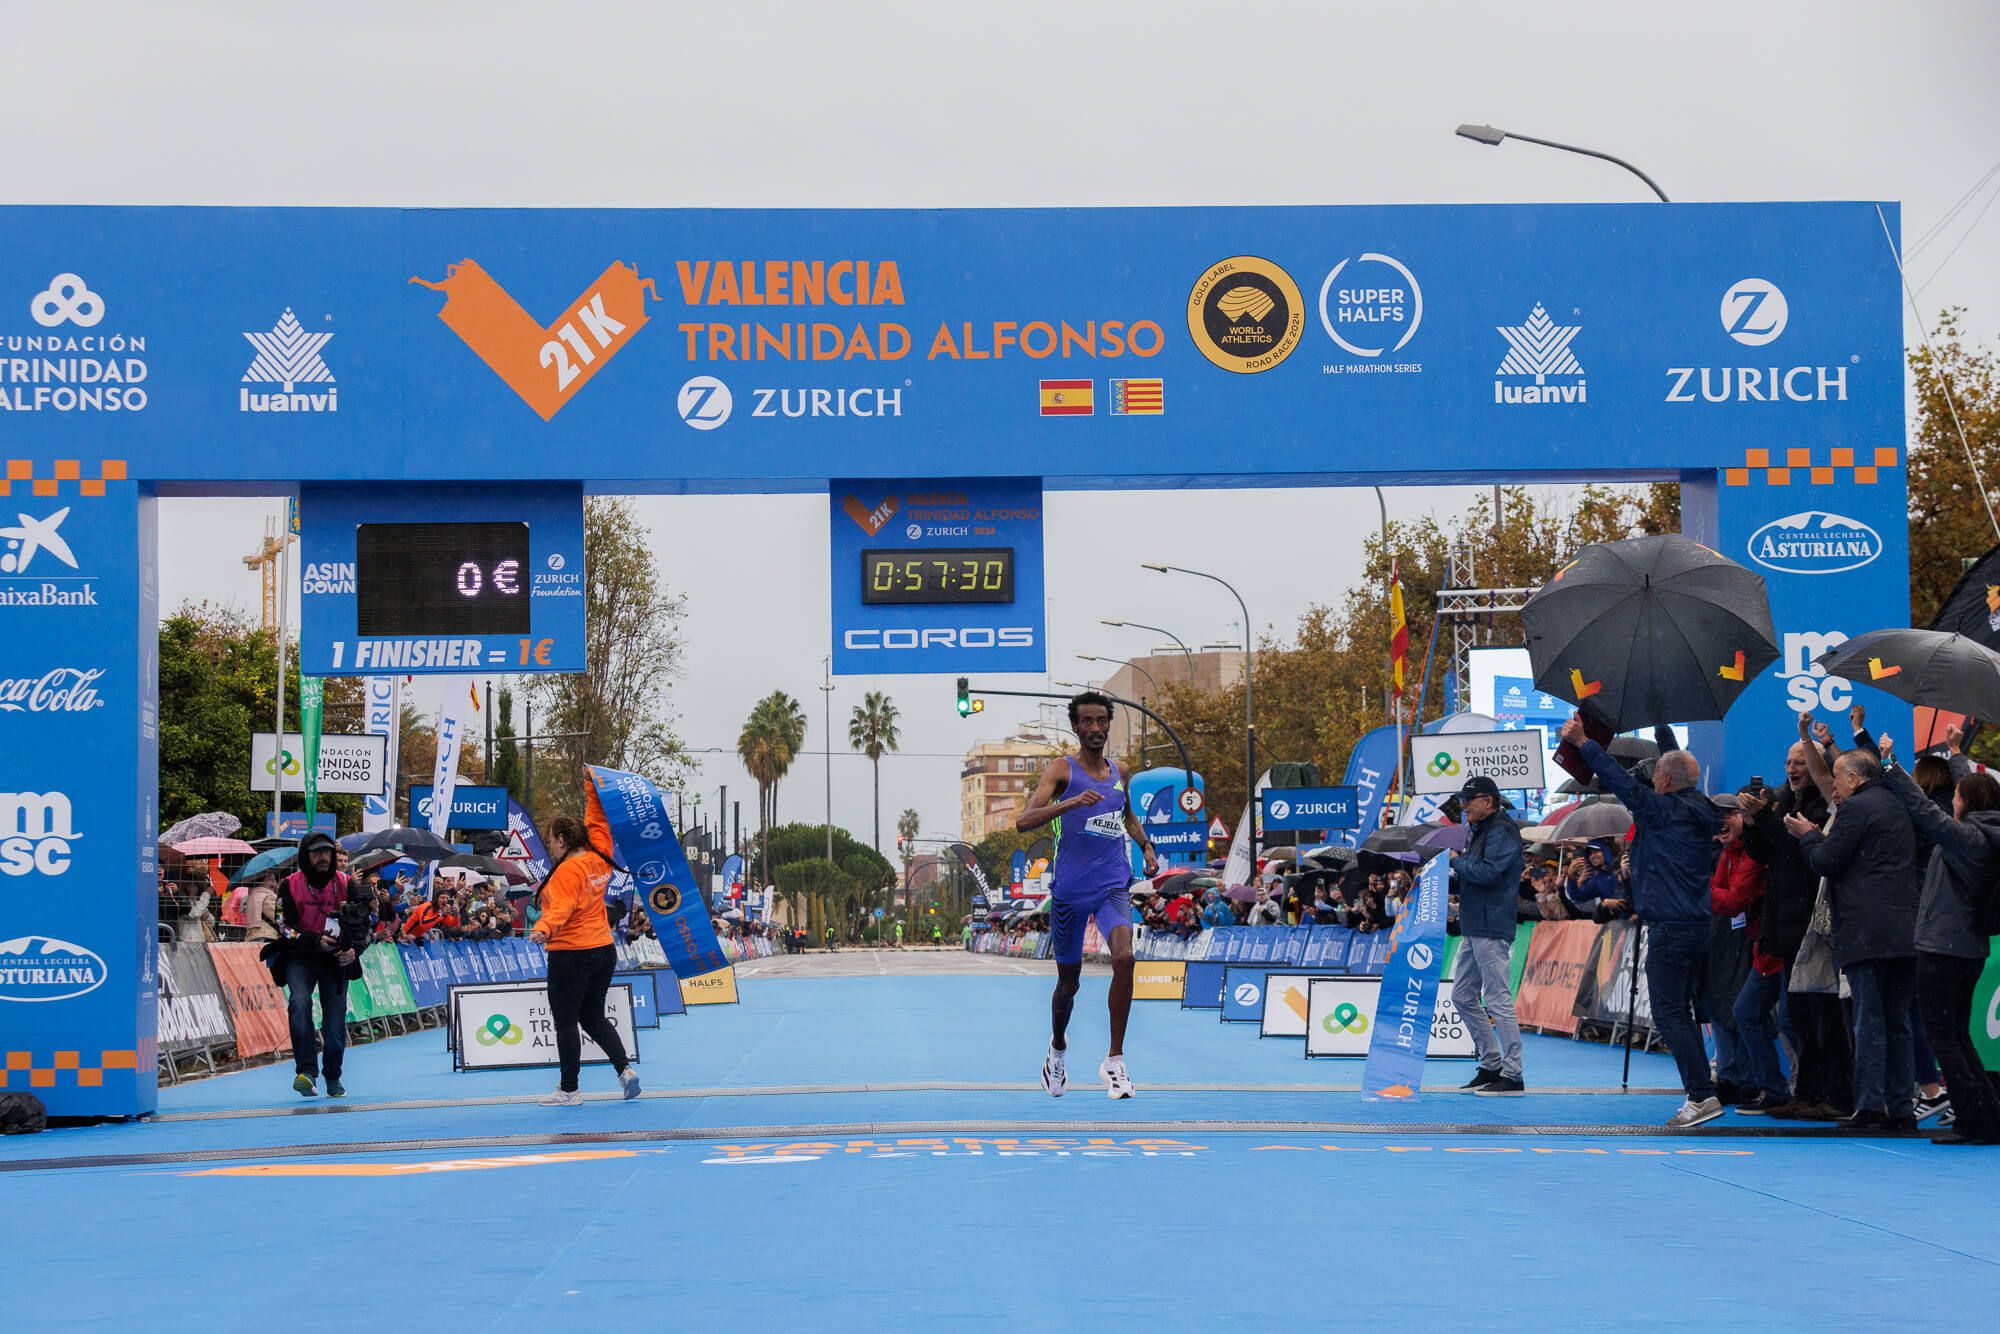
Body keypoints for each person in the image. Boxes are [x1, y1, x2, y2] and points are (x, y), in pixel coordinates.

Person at [1561, 715, 1724, 1129]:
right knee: (1691, 1010)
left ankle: (1701, 1095)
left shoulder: (1661, 809)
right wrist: (1660, 724)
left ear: (1664, 782)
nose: (1651, 782)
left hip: (1669, 926)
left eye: (1656, 777)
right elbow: (1673, 766)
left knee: (1671, 1014)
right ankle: (1712, 1081)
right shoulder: (1700, 807)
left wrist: (1584, 744)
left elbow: (1620, 782)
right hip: (1698, 924)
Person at [1017, 691, 1159, 1100]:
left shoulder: (1121, 771)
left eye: (1102, 721)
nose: (1096, 728)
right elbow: (1024, 822)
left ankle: (1114, 1062)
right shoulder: (1061, 771)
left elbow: (1125, 812)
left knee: (1125, 958)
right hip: (1070, 892)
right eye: (1088, 722)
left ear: (1108, 725)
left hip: (1113, 885)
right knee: (1069, 985)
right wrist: (1071, 803)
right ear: (1076, 727)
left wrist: (1146, 845)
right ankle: (1057, 1050)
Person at [1787, 747, 1918, 1130]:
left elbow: (1827, 860)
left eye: (1839, 777)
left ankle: (1870, 1106)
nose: (1835, 787)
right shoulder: (1896, 805)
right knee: (1898, 1021)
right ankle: (1900, 1108)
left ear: (1856, 778)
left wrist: (1810, 836)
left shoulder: (1856, 810)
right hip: (1901, 929)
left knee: (1869, 1020)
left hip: (1865, 930)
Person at [1878, 734, 2000, 1144]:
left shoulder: (1964, 838)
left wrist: (1890, 765)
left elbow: (1922, 808)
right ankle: (1985, 1114)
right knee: (1958, 1035)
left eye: (1958, 795)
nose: (1953, 800)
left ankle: (1974, 1119)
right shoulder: (1989, 833)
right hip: (1968, 948)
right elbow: (1975, 792)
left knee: (1944, 1037)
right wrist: (1959, 756)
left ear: (1965, 802)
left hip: (1943, 947)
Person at [1738, 738, 1848, 1120]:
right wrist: (1752, 823)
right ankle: (1807, 1092)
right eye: (1788, 761)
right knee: (1800, 1017)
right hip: (1786, 924)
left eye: (1800, 762)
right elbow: (1766, 853)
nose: (1792, 768)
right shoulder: (1786, 801)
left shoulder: (1822, 806)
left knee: (1822, 1016)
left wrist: (1765, 818)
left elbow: (1797, 849)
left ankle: (1832, 1094)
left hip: (1813, 926)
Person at [528, 786, 641, 1108]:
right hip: (603, 949)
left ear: (563, 840)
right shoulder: (598, 857)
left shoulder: (567, 871)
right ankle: (625, 1071)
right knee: (593, 1016)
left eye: (550, 840)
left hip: (571, 952)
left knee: (565, 1021)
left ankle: (569, 1090)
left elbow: (562, 908)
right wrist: (592, 787)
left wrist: (542, 928)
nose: (549, 846)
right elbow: (600, 824)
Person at [269, 832, 364, 1098]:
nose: (322, 857)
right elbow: (281, 924)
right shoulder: (288, 885)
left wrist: (355, 950)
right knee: (299, 1003)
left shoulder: (348, 883)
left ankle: (333, 1076)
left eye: (326, 852)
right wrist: (312, 940)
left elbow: (367, 923)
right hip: (300, 956)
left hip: (336, 959)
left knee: (334, 1025)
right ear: (305, 856)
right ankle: (306, 1072)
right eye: (316, 853)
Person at [1449, 775, 1526, 1095]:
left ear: (1489, 802)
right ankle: (1491, 1063)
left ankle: (1514, 1073)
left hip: (1491, 925)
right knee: (1462, 995)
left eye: (1469, 800)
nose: (1463, 806)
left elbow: (1489, 873)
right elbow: (1474, 875)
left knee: (1497, 1000)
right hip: (1474, 924)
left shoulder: (1502, 831)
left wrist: (1458, 863)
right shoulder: (1480, 831)